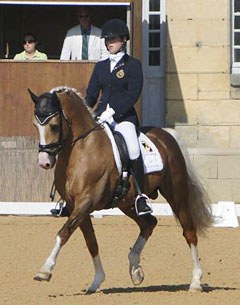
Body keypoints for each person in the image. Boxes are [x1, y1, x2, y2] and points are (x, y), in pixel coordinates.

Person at [85, 19, 153, 216]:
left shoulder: (133, 66)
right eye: (106, 40)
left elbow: (133, 94)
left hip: (123, 119)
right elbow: (91, 95)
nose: (109, 43)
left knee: (132, 148)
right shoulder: (100, 67)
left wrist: (114, 111)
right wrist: (85, 110)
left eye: (113, 39)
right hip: (100, 118)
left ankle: (141, 195)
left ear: (123, 40)